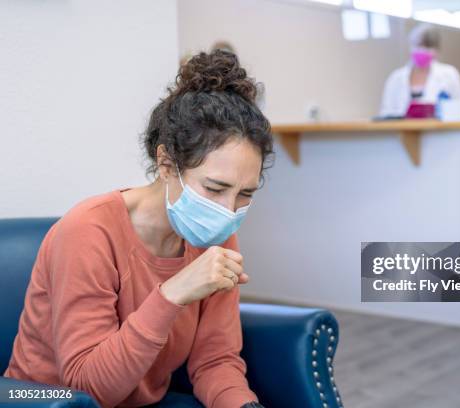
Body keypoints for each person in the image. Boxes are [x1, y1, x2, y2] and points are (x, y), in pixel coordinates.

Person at [3, 50, 272, 408]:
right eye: (215, 188)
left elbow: (215, 361)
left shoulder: (217, 234)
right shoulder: (88, 231)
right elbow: (89, 389)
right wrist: (172, 294)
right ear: (165, 164)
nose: (227, 211)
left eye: (245, 194)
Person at [378, 23, 460, 118]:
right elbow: (385, 113)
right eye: (419, 45)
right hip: (402, 131)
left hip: (439, 131)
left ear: (437, 50)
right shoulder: (396, 78)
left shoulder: (449, 74)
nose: (423, 50)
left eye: (428, 46)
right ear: (411, 46)